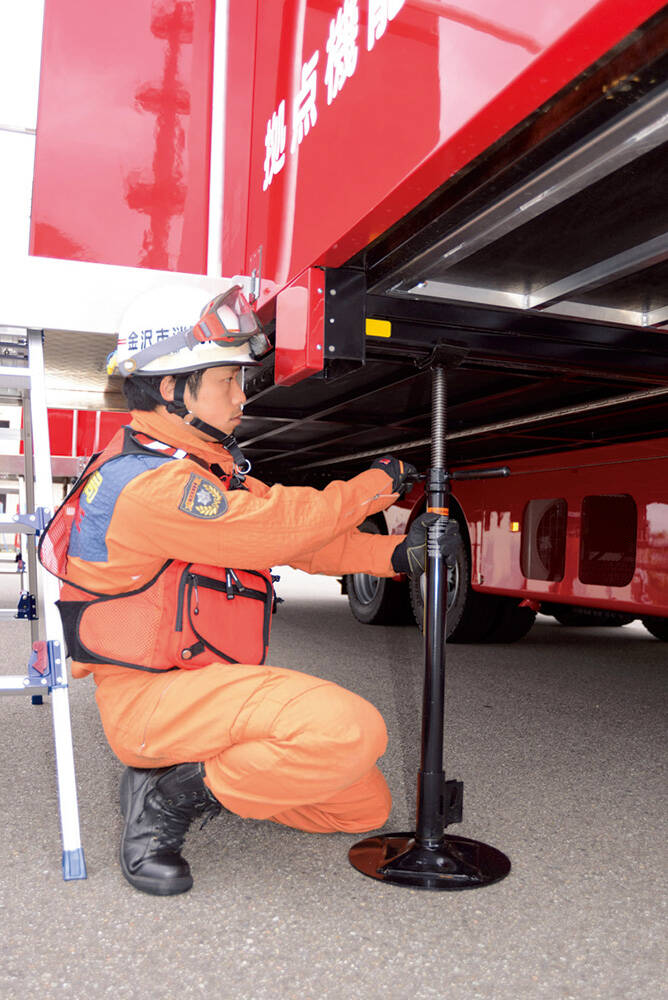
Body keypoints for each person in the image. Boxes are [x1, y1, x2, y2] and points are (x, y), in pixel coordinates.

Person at [40, 283, 459, 896]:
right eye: (227, 381)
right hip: (154, 701)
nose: (242, 397)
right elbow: (277, 528)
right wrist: (376, 484)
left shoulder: (200, 466)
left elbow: (302, 545)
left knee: (360, 810)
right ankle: (165, 797)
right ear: (170, 388)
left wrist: (396, 554)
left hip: (212, 690)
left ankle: (202, 770)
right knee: (349, 731)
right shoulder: (149, 486)